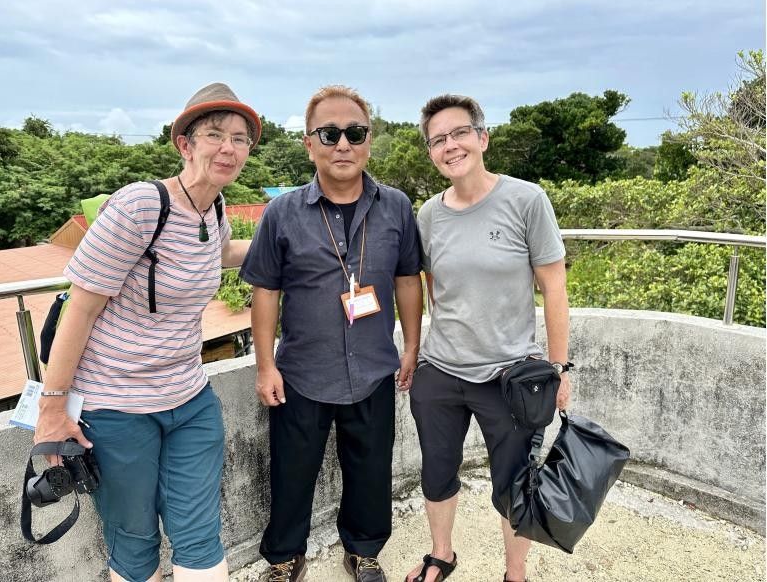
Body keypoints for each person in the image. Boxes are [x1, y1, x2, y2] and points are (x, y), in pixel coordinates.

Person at [33, 82, 261, 582]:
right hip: (116, 408)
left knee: (200, 536)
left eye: (241, 138)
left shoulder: (215, 209)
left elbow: (219, 254)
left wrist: (291, 245)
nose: (229, 148)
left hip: (190, 398)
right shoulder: (140, 206)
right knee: (134, 543)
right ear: (186, 143)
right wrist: (52, 413)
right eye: (215, 135)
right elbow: (81, 310)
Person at [240, 85, 423, 582]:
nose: (343, 144)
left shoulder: (397, 207)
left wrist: (411, 345)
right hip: (301, 371)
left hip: (373, 366)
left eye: (355, 133)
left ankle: (363, 550)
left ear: (368, 140)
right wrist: (264, 365)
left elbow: (408, 279)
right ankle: (283, 557)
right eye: (330, 133)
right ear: (309, 143)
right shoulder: (282, 213)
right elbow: (265, 291)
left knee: (370, 470)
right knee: (292, 472)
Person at [404, 94, 571, 582]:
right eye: (438, 140)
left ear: (482, 138)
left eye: (459, 133)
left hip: (511, 377)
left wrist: (559, 367)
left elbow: (554, 287)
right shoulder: (429, 214)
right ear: (431, 152)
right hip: (441, 372)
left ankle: (514, 572)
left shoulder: (526, 199)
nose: (450, 146)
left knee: (513, 485)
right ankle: (442, 554)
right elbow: (434, 286)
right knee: (437, 472)